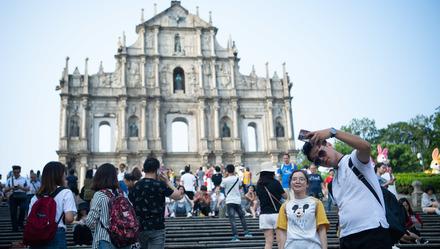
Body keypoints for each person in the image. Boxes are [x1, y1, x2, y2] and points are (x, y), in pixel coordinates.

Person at [302, 128, 391, 249]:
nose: (322, 159)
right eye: (317, 161)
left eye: (321, 153)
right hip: (347, 237)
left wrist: (332, 132)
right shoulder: (332, 184)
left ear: (328, 145)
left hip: (372, 230)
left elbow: (365, 147)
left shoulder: (354, 160)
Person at [130, 157, 184, 249]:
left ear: (144, 168)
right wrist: (167, 181)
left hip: (140, 228)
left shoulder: (136, 186)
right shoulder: (160, 185)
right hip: (157, 227)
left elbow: (131, 202)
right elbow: (178, 196)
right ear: (157, 170)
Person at [28, 161, 77, 248]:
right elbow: (69, 218)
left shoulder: (36, 196)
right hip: (56, 233)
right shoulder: (65, 192)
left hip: (37, 235)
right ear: (60, 175)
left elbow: (30, 218)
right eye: (64, 173)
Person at [276, 170, 329, 249]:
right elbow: (282, 231)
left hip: (313, 246)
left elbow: (322, 229)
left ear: (307, 184)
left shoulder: (316, 203)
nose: (297, 181)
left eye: (301, 179)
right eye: (294, 179)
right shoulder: (285, 206)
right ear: (290, 183)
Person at [84, 163, 130, 249]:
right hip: (123, 238)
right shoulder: (122, 194)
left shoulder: (100, 195)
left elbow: (90, 222)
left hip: (105, 239)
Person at [256, 163, 287, 249]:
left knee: (268, 242)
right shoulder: (275, 183)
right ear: (271, 172)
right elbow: (285, 196)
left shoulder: (258, 185)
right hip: (277, 214)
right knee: (280, 241)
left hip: (264, 215)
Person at [221, 164, 253, 241]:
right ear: (234, 170)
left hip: (229, 200)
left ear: (227, 171)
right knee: (241, 217)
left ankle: (235, 236)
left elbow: (222, 188)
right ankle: (246, 232)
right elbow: (240, 187)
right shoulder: (237, 179)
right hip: (237, 200)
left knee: (232, 219)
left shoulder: (225, 180)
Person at [4, 165, 29, 232]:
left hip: (22, 196)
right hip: (13, 197)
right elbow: (5, 190)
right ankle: (15, 228)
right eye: (15, 172)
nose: (16, 174)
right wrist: (11, 187)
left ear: (20, 171)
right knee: (13, 212)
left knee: (23, 209)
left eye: (17, 172)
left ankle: (20, 223)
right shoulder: (9, 180)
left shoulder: (24, 179)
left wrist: (20, 187)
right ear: (13, 172)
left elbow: (28, 189)